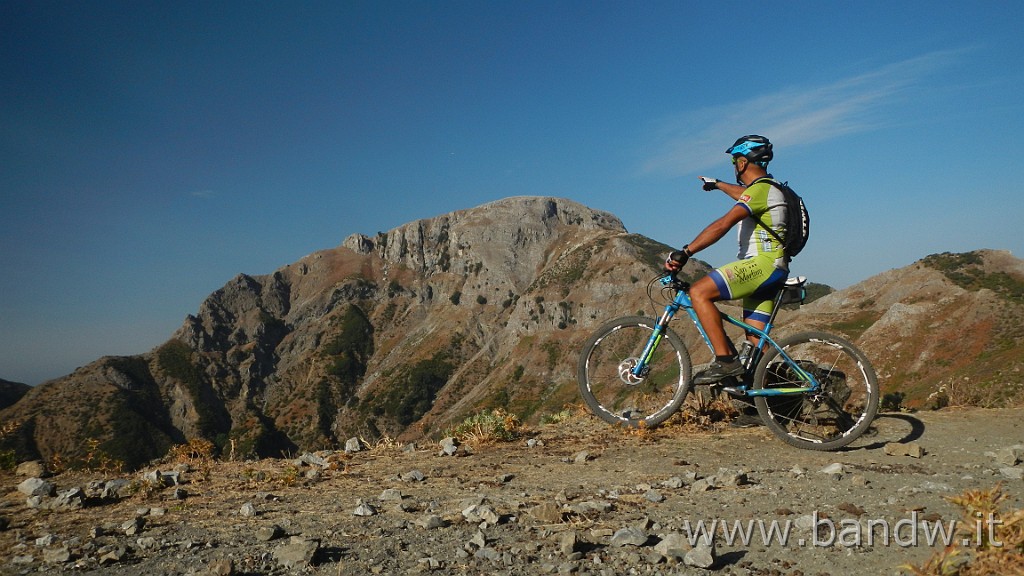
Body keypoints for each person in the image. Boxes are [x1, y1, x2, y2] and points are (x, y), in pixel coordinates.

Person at [663, 135, 790, 385]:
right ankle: (766, 405)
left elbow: (723, 224)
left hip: (762, 265)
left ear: (742, 163)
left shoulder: (762, 190)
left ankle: (726, 361)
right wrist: (719, 185)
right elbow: (744, 194)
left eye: (734, 161)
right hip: (775, 269)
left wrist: (686, 252)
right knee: (756, 346)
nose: (734, 167)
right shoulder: (768, 188)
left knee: (699, 292)